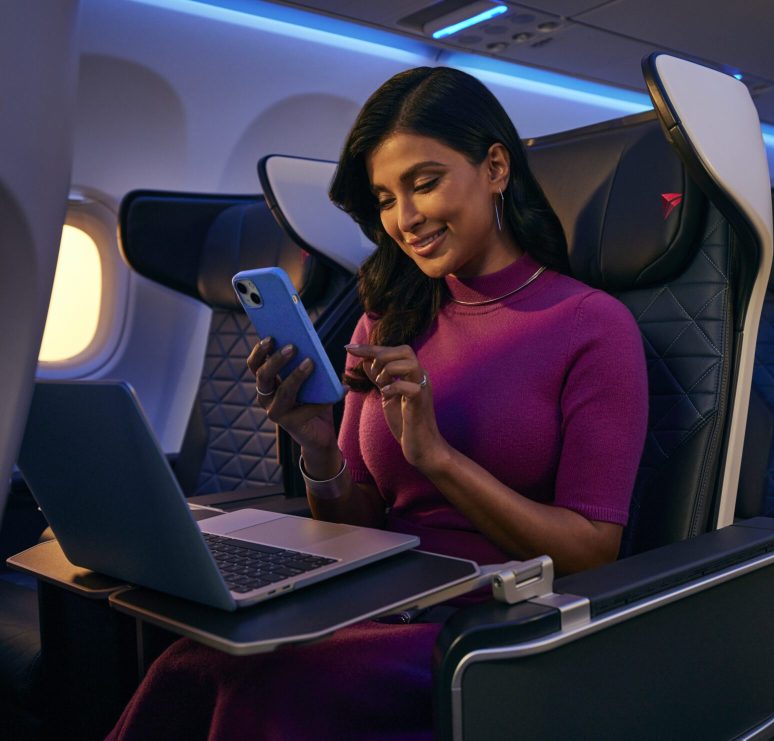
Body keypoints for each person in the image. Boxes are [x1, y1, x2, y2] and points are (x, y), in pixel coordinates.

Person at [107, 66, 648, 740]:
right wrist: (317, 446)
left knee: (264, 681)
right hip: (380, 598)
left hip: (488, 623)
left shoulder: (592, 325)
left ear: (497, 167)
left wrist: (438, 457)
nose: (404, 219)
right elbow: (359, 517)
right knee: (190, 661)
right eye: (386, 197)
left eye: (425, 183)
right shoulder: (388, 318)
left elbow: (595, 551)